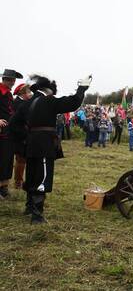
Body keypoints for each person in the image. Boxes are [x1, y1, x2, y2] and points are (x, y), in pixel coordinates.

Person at [10, 73, 91, 224]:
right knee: (42, 177)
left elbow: (13, 125)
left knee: (32, 174)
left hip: (31, 144)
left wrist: (26, 137)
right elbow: (73, 102)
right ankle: (37, 215)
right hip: (44, 143)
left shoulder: (25, 104)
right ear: (48, 90)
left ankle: (29, 207)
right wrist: (82, 88)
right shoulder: (49, 101)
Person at [0, 69, 23, 198]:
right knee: (2, 160)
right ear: (5, 79)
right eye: (11, 80)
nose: (13, 82)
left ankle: (4, 187)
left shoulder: (8, 94)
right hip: (1, 133)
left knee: (8, 160)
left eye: (14, 80)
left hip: (9, 133)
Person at [11, 83, 32, 189]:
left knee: (23, 159)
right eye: (29, 92)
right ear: (23, 93)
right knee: (21, 160)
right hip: (19, 135)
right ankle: (18, 182)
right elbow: (16, 122)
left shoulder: (24, 102)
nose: (30, 94)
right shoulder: (18, 103)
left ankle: (20, 180)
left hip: (24, 134)